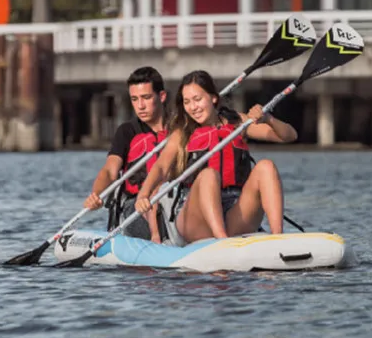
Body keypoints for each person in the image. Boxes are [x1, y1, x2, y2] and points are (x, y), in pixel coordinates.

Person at [133, 70, 298, 246]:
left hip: (235, 210)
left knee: (266, 166)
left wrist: (268, 119)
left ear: (213, 98)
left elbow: (288, 136)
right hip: (196, 219)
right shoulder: (182, 133)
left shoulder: (238, 123)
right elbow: (161, 167)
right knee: (209, 174)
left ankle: (278, 240)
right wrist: (143, 195)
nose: (193, 107)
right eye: (187, 102)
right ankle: (223, 243)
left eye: (198, 99)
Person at [83, 66, 170, 243]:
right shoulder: (127, 132)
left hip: (171, 198)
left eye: (146, 98)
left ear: (161, 97)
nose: (140, 106)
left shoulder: (179, 129)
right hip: (137, 205)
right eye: (134, 99)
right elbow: (109, 171)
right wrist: (97, 194)